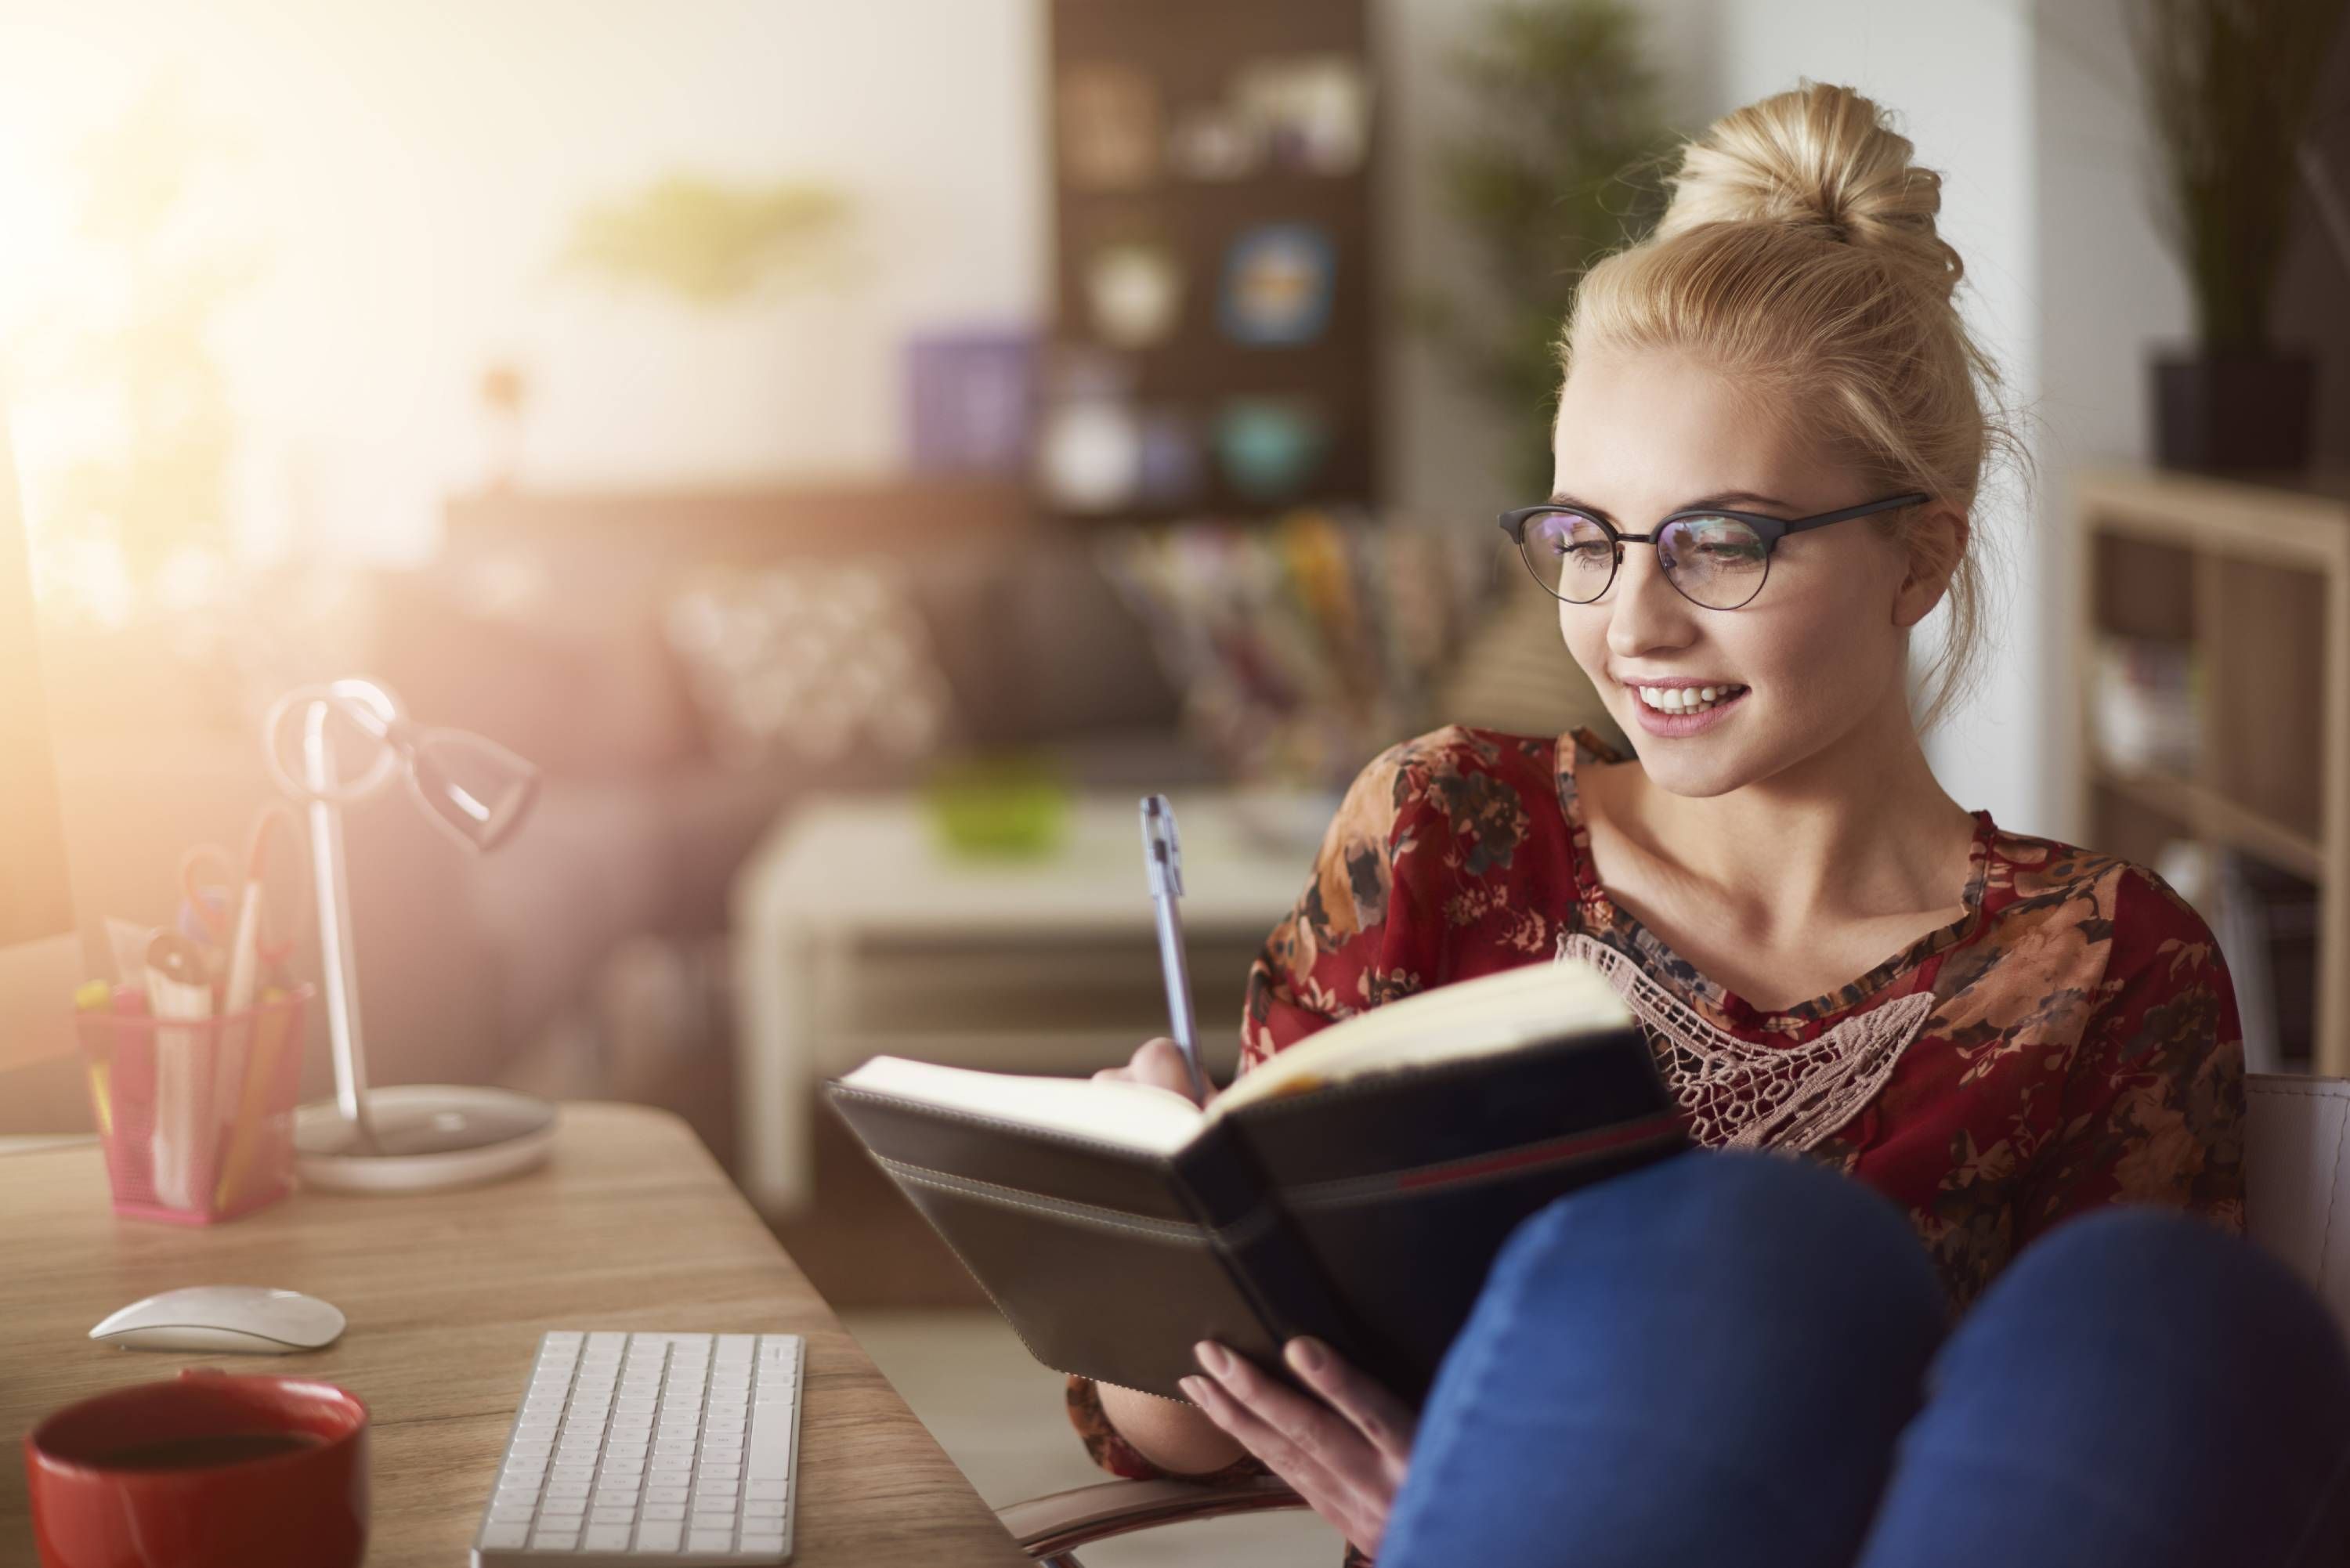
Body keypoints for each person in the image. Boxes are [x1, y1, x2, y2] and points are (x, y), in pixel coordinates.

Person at [1065, 79, 2258, 1565]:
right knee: (1760, 1245)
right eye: (1586, 538)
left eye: (1718, 543)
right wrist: (1159, 1238)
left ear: (1918, 557)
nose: (1631, 624)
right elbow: (1172, 1431)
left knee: (2175, 1308)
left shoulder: (2109, 963)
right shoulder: (1443, 832)